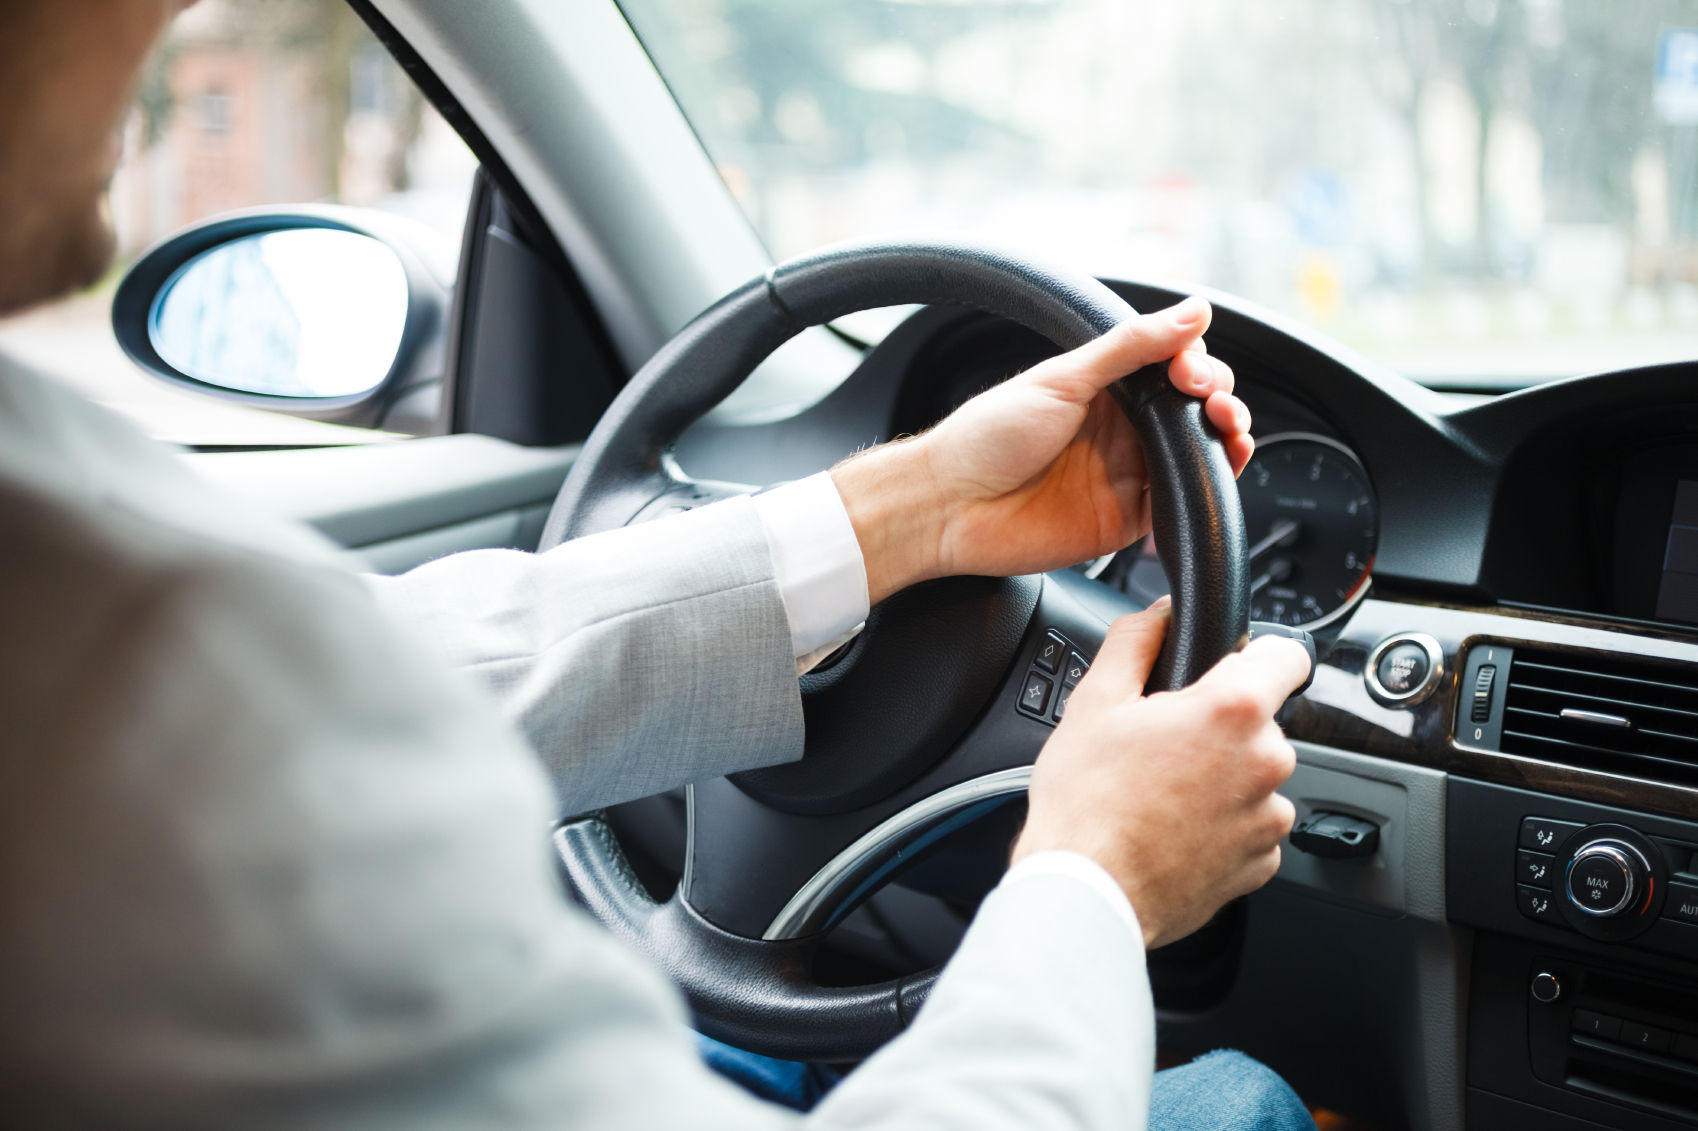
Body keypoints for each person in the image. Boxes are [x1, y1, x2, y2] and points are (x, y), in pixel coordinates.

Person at [0, 2, 1316, 1128]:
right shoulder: (103, 645)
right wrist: (1093, 874)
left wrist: (915, 511)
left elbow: (312, 703)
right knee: (1238, 1099)